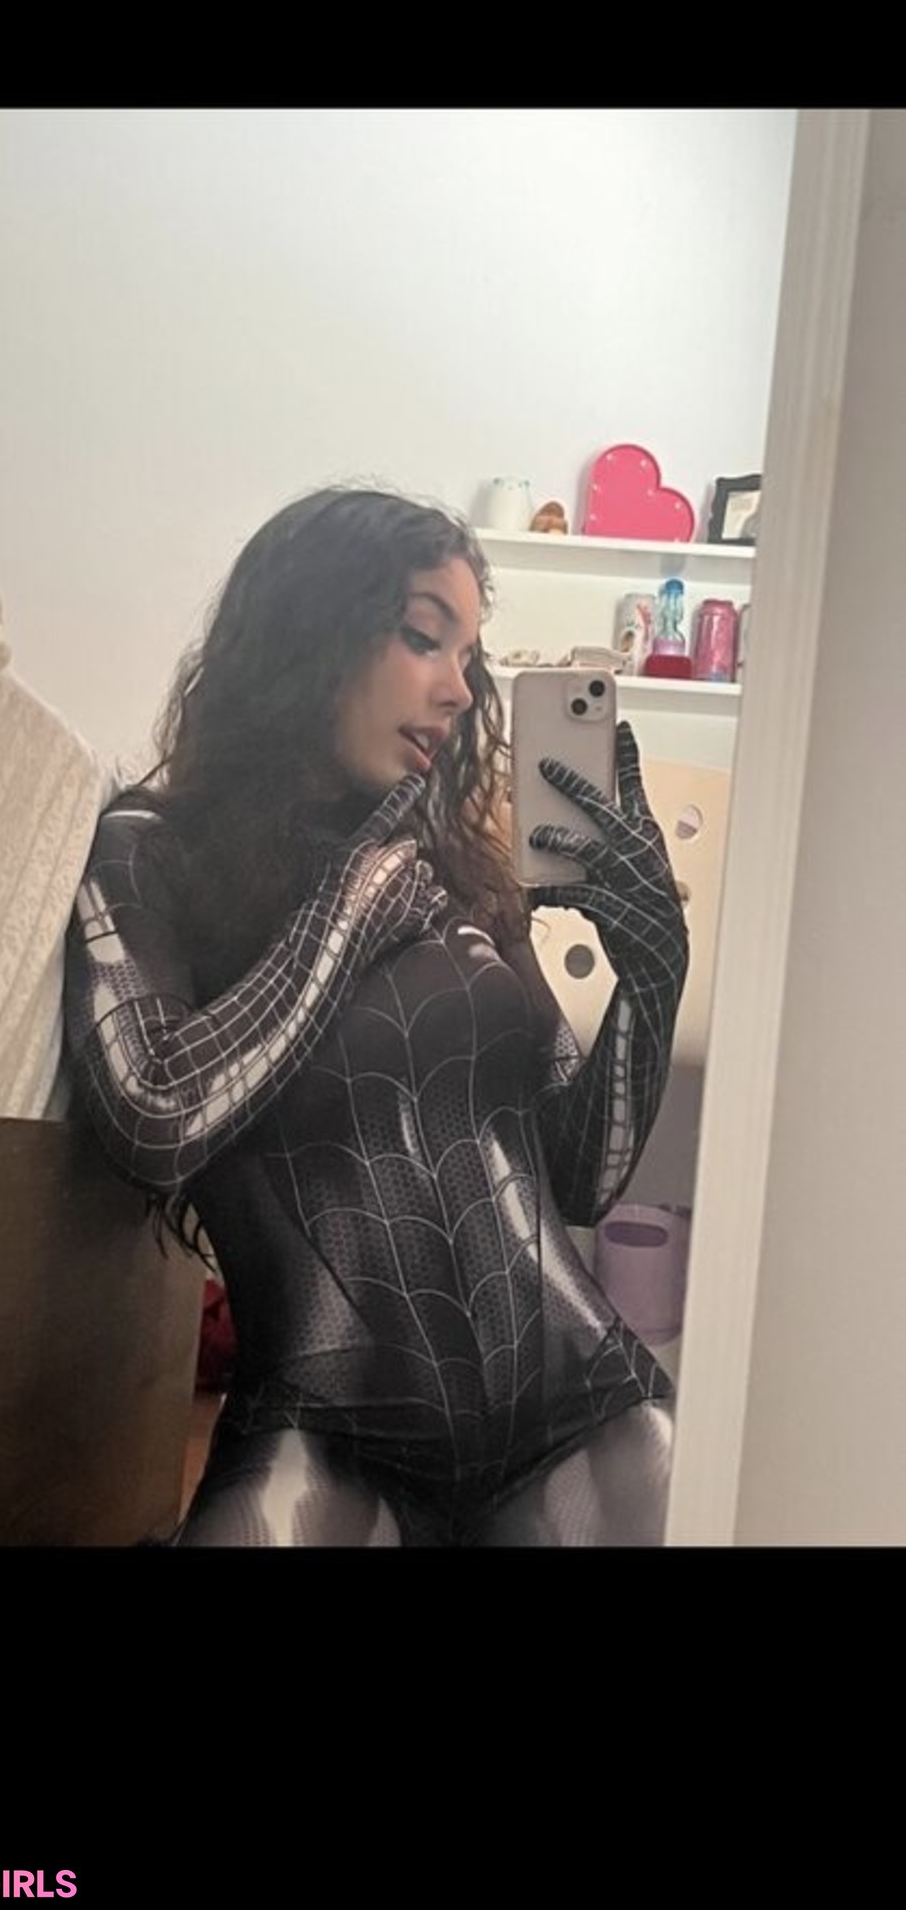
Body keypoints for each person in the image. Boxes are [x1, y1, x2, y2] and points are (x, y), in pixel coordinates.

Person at [64, 486, 690, 1545]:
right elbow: (151, 1116)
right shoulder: (153, 849)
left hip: (584, 1414)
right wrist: (346, 913)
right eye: (423, 637)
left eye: (469, 656)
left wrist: (652, 980)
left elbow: (580, 1173)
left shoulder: (464, 874)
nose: (458, 688)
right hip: (325, 1439)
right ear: (311, 631)